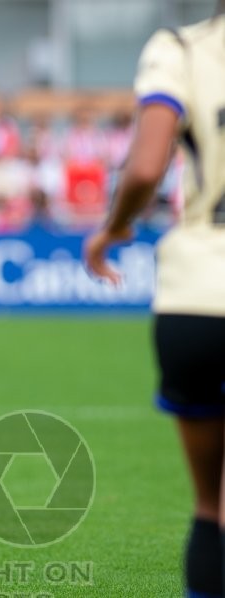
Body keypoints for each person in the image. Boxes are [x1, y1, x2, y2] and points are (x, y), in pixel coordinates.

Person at [84, 5, 225, 596]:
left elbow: (145, 166)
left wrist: (114, 228)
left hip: (197, 295)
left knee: (210, 505)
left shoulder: (182, 49)